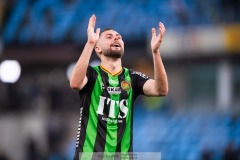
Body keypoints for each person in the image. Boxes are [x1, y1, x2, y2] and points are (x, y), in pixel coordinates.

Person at [69, 14, 168, 160]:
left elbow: (161, 90)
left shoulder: (133, 78)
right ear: (98, 48)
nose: (116, 38)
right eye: (109, 37)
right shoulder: (91, 74)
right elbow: (75, 83)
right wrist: (89, 43)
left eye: (119, 37)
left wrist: (155, 52)